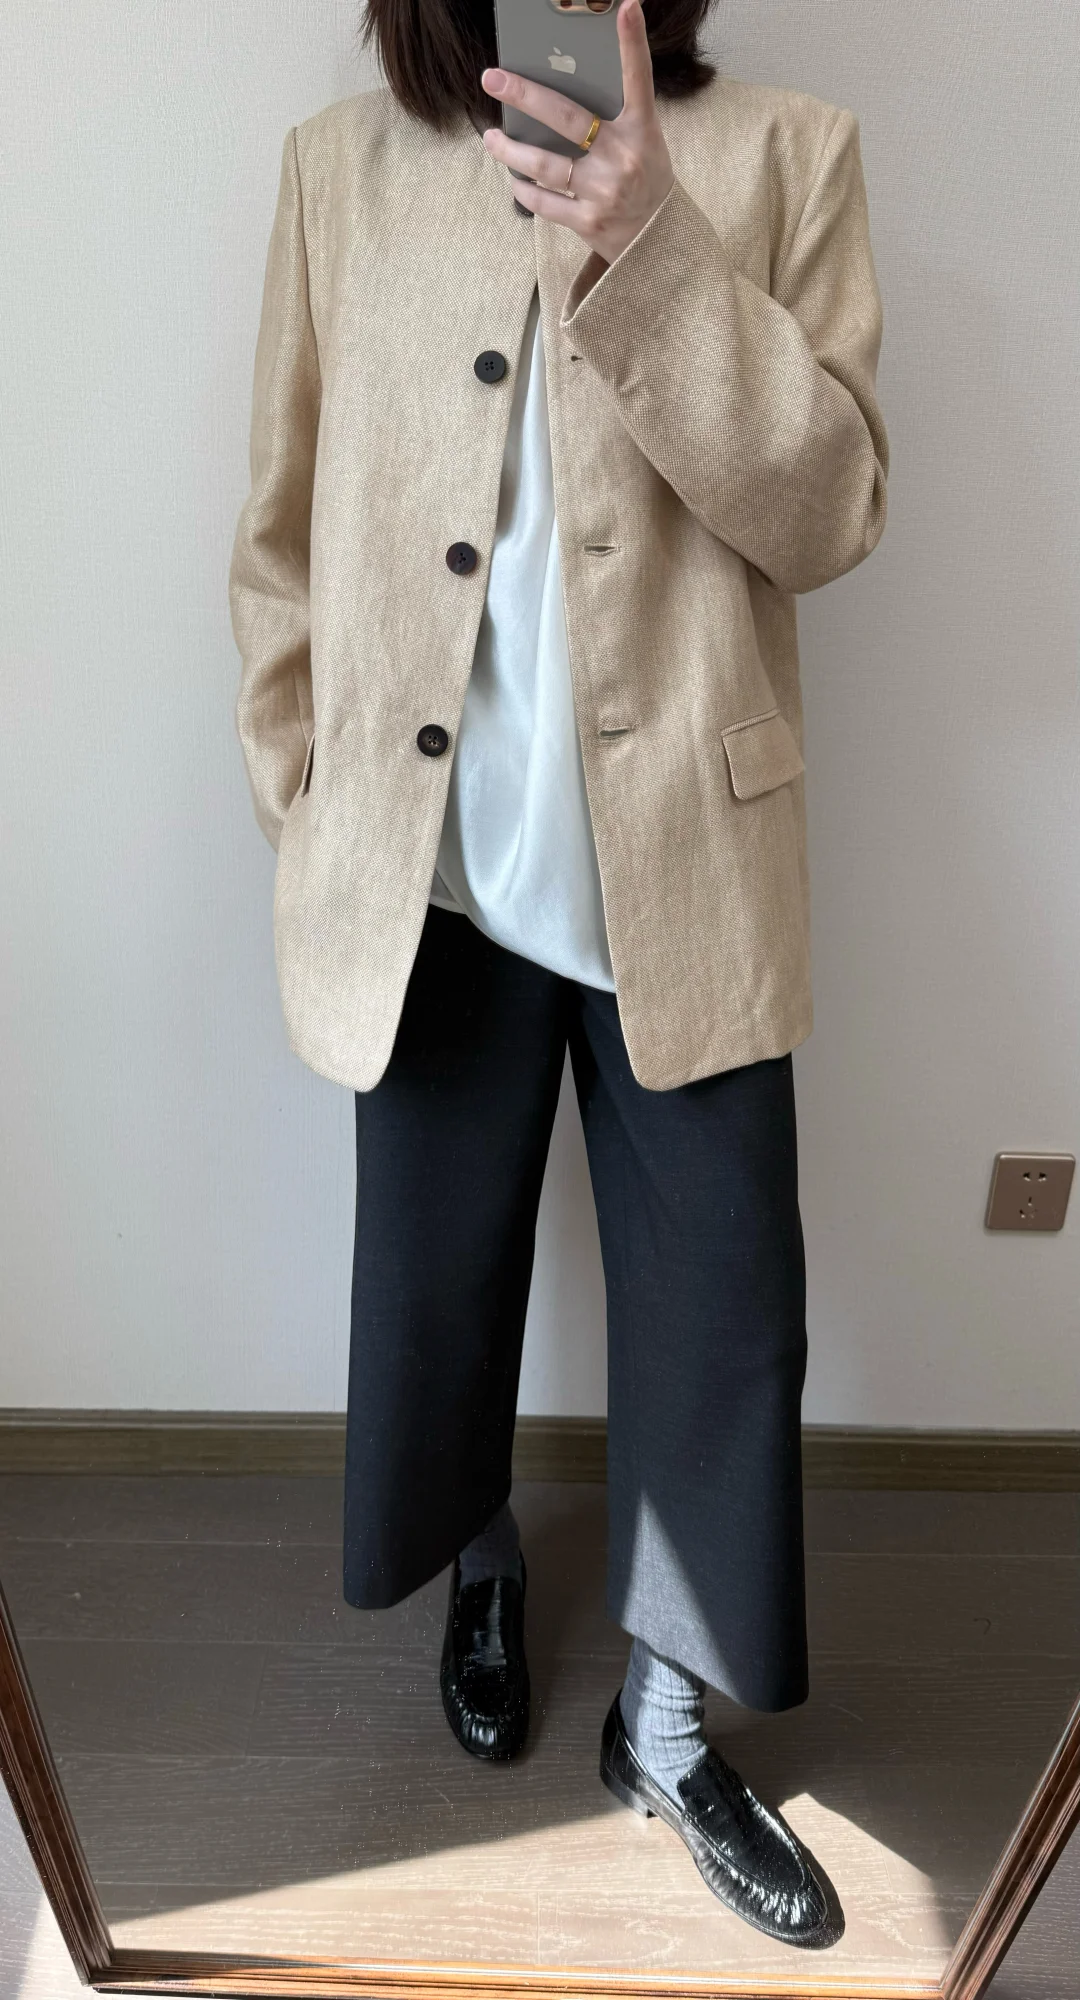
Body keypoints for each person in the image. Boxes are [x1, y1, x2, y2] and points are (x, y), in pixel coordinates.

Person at [229, 0, 889, 1950]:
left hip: (688, 867)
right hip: (430, 878)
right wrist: (304, 789)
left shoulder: (785, 153)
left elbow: (831, 511)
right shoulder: (340, 173)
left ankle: (668, 1735)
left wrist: (652, 246)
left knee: (725, 1318)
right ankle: (483, 1564)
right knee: (436, 1283)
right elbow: (276, 531)